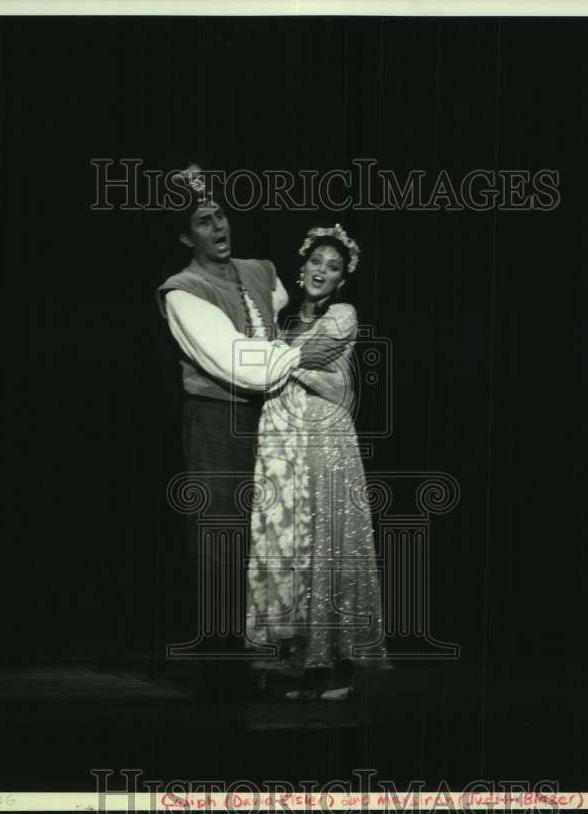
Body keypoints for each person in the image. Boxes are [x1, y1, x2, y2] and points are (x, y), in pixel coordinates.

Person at [156, 167, 346, 700]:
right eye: (202, 220)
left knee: (272, 536)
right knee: (222, 535)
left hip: (270, 418)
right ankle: (221, 670)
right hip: (217, 419)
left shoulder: (259, 270)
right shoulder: (182, 291)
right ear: (185, 236)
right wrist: (304, 354)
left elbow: (276, 304)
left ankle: (269, 658)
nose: (217, 226)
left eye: (219, 214)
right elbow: (241, 363)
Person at [246, 224, 388, 701]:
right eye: (316, 263)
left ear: (341, 279)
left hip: (326, 441)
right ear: (301, 266)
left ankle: (340, 668)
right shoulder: (283, 321)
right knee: (298, 553)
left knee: (331, 544)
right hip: (288, 446)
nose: (321, 272)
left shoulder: (342, 314)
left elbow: (301, 360)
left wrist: (269, 356)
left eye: (333, 267)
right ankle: (309, 666)